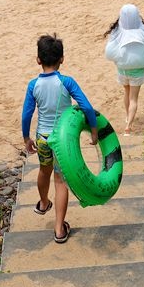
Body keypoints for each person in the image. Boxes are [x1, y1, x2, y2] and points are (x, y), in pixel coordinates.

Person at [21, 34, 98, 244]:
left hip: (44, 138)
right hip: (63, 140)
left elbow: (27, 114)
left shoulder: (33, 85)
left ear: (38, 59)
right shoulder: (66, 82)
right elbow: (86, 106)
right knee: (60, 180)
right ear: (62, 59)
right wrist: (93, 129)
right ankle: (59, 230)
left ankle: (44, 203)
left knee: (43, 170)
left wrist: (26, 137)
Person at [104, 4, 144, 135]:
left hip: (123, 69)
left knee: (126, 93)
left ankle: (128, 116)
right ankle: (128, 126)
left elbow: (110, 52)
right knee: (134, 98)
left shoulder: (118, 31)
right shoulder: (142, 30)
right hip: (137, 71)